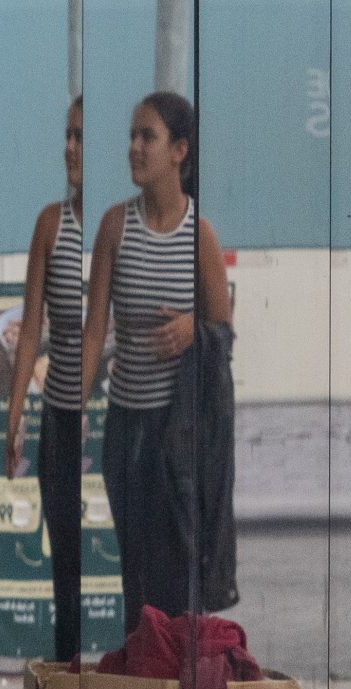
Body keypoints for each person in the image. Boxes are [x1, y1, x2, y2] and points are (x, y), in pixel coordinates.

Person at [70, 93, 232, 629]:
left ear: (180, 151)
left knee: (177, 583)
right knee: (136, 579)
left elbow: (224, 334)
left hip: (179, 436)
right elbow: (95, 331)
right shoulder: (115, 227)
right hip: (126, 433)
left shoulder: (200, 235)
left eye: (149, 137)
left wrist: (196, 331)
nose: (135, 147)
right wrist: (74, 405)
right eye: (132, 136)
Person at [5, 96, 92, 660]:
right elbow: (29, 330)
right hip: (60, 416)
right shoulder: (51, 225)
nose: (68, 147)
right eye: (66, 134)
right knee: (67, 574)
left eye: (80, 137)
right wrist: (13, 421)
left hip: (121, 416)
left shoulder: (120, 227)